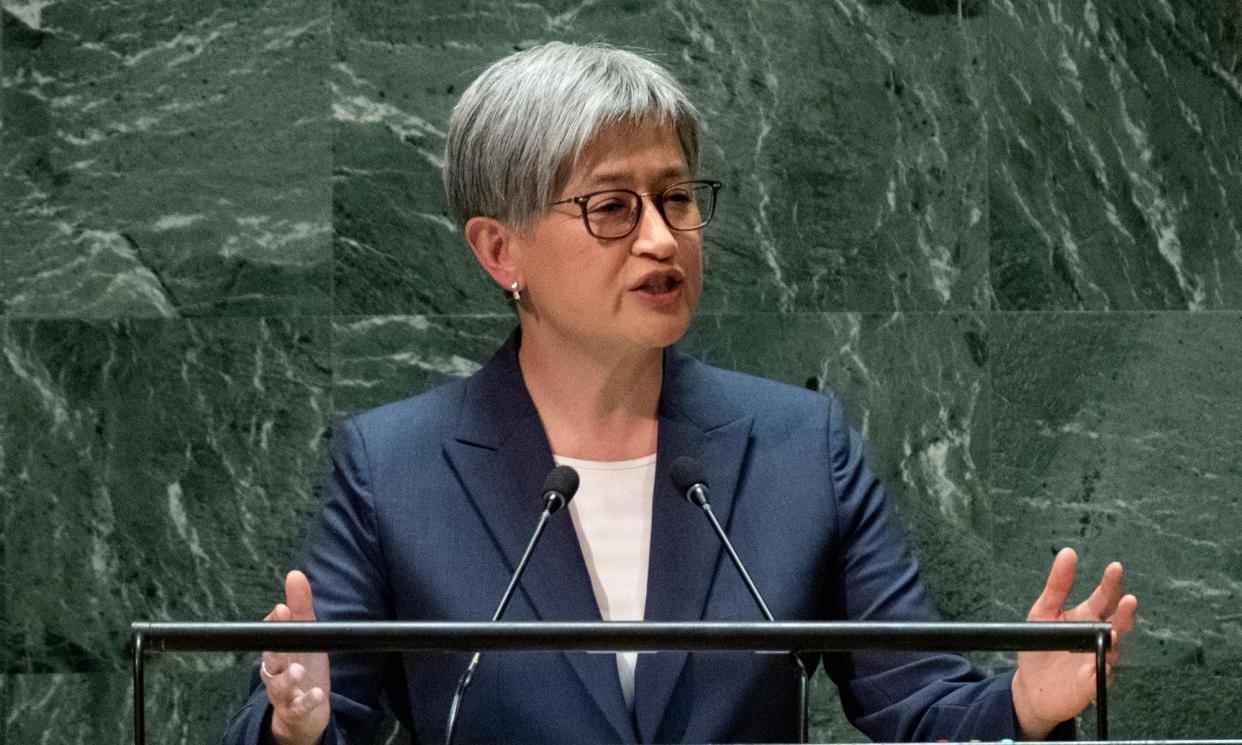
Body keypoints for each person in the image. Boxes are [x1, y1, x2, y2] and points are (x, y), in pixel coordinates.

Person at [223, 42, 1137, 744]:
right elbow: (309, 712)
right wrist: (294, 726)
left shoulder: (794, 446)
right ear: (501, 250)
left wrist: (1020, 706)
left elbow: (921, 702)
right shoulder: (395, 468)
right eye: (612, 206)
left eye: (677, 198)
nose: (662, 238)